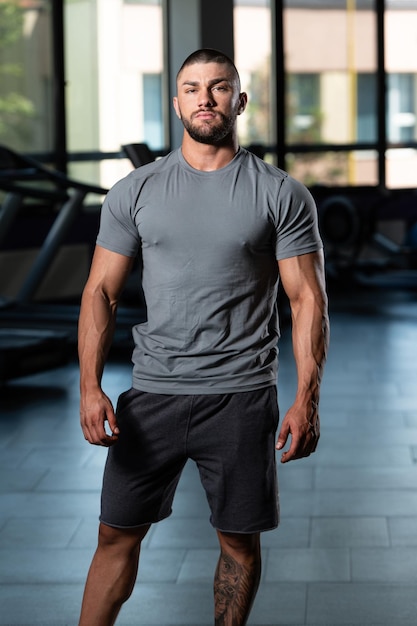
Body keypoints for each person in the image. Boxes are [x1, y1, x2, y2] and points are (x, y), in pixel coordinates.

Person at [77, 48, 329, 626]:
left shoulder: (280, 193)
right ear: (176, 103)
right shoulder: (135, 191)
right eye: (191, 88)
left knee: (238, 543)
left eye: (218, 87)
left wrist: (306, 399)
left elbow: (306, 300)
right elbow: (101, 293)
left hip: (240, 398)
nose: (205, 98)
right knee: (115, 535)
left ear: (239, 101)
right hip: (153, 396)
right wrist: (90, 388)